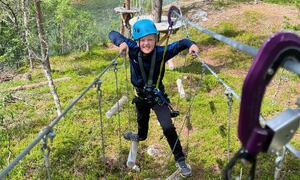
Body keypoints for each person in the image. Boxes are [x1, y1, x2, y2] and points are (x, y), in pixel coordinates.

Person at [109, 19, 199, 177]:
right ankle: (139, 136)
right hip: (141, 98)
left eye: (150, 39)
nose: (146, 43)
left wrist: (191, 45)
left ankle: (180, 159)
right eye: (143, 40)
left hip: (158, 97)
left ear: (156, 39)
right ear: (137, 41)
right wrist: (121, 43)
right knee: (142, 126)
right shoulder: (132, 48)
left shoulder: (161, 53)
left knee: (168, 127)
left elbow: (181, 43)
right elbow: (113, 33)